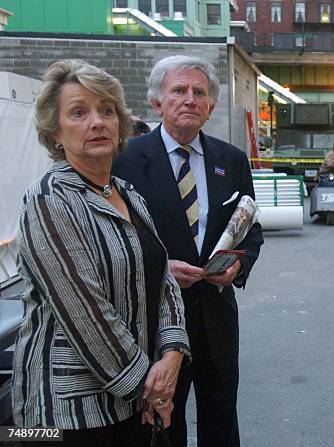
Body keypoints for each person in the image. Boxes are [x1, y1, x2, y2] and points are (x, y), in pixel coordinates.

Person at [13, 59, 190, 445]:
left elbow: (163, 283)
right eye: (79, 112)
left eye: (106, 110)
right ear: (55, 131)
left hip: (132, 399)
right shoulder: (49, 200)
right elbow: (85, 314)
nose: (97, 122)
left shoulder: (127, 194)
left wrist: (173, 354)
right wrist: (152, 387)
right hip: (69, 412)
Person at [113, 55, 264, 447]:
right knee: (162, 423)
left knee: (221, 420)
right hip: (154, 323)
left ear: (210, 106)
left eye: (200, 92)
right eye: (179, 90)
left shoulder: (230, 160)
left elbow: (251, 230)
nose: (190, 99)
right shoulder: (124, 158)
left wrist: (237, 266)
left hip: (216, 318)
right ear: (157, 102)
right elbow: (113, 239)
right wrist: (159, 270)